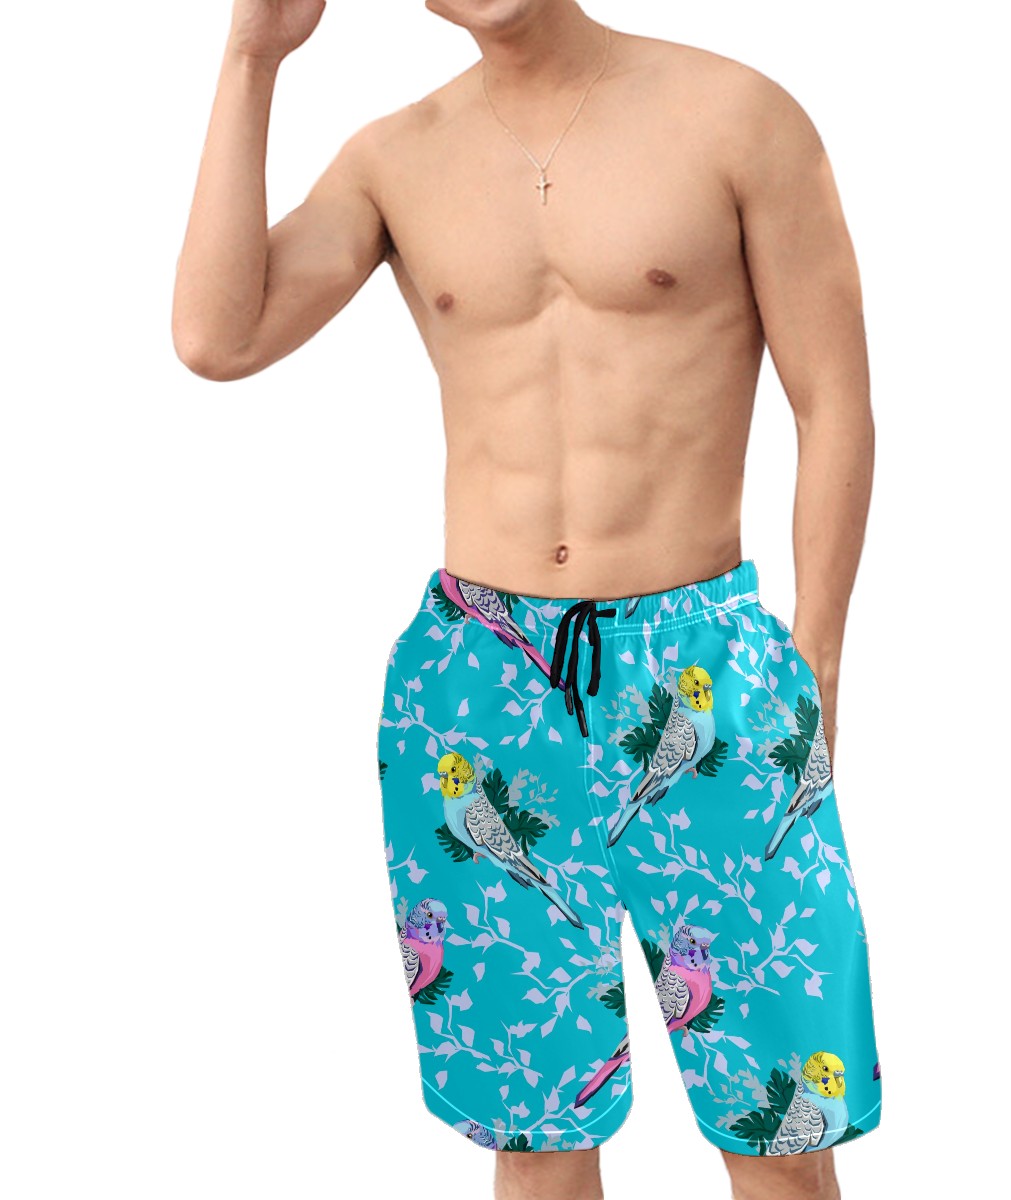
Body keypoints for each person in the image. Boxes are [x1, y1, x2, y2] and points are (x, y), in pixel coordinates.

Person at [172, 2, 881, 1197]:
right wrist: (253, 58)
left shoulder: (737, 116)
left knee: (780, 1121)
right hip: (480, 678)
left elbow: (836, 400)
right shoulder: (395, 157)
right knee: (535, 1127)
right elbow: (215, 336)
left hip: (702, 660)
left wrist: (815, 659)